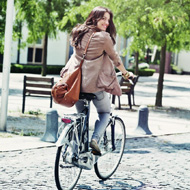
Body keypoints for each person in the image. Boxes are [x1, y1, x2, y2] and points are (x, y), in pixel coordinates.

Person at [68, 6, 133, 155]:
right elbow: (116, 59)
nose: (106, 23)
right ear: (94, 17)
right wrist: (125, 73)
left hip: (75, 85)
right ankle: (95, 140)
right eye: (103, 18)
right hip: (94, 86)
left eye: (108, 20)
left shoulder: (77, 32)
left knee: (81, 118)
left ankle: (75, 152)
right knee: (105, 112)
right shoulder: (104, 37)